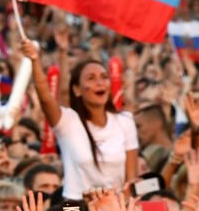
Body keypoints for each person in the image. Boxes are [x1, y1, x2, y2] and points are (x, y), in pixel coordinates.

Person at [25, 39, 138, 199]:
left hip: (115, 208)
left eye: (104, 77)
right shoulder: (68, 121)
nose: (100, 83)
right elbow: (45, 98)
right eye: (91, 78)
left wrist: (126, 208)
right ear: (77, 89)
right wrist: (35, 60)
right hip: (73, 206)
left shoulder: (125, 121)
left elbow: (131, 178)